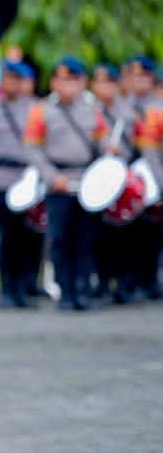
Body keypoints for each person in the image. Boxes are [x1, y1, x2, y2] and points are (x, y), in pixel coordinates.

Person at [25, 55, 107, 311]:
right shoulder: (42, 110)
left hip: (86, 182)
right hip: (57, 182)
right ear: (53, 83)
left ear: (83, 82)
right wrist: (51, 177)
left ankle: (82, 289)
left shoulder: (92, 110)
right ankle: (65, 291)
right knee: (59, 239)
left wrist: (109, 153)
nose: (69, 85)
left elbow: (102, 143)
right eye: (63, 80)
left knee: (86, 239)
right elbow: (32, 148)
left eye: (74, 79)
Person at [0, 60, 44, 308]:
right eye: (6, 78)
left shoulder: (37, 109)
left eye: (15, 79)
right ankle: (8, 288)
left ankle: (26, 286)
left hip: (31, 179)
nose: (10, 83)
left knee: (31, 237)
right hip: (2, 179)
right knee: (7, 237)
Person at [90, 63, 136, 303]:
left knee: (124, 236)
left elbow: (139, 147)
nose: (103, 87)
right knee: (99, 236)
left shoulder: (128, 113)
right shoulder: (88, 111)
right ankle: (103, 281)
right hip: (98, 180)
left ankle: (124, 283)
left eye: (108, 82)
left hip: (122, 179)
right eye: (98, 82)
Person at [123, 55, 163, 299]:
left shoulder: (158, 108)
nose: (139, 82)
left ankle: (149, 282)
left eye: (144, 76)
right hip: (126, 177)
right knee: (127, 234)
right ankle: (128, 283)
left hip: (154, 176)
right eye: (134, 76)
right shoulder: (119, 106)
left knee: (153, 233)